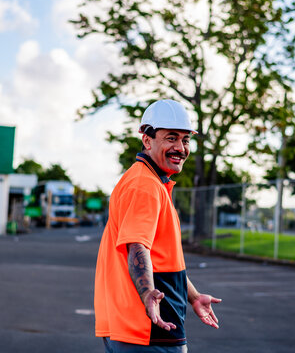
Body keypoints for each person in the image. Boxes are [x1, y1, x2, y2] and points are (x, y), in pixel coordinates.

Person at [95, 99, 222, 352]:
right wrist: (147, 295)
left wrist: (193, 297)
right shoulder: (145, 185)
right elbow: (137, 247)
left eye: (185, 140)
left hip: (136, 328)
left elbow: (161, 259)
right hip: (151, 329)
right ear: (147, 140)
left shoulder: (146, 180)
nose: (180, 148)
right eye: (171, 138)